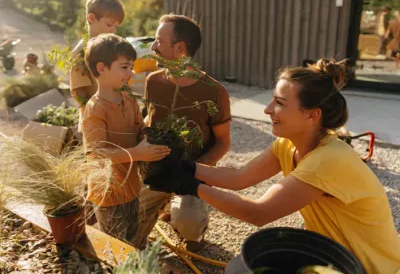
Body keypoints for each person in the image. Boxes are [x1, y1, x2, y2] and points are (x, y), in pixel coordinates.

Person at [146, 59, 400, 274]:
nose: (268, 110)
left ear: (312, 115)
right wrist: (186, 167)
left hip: (369, 267)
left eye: (279, 103)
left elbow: (258, 213)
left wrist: (190, 185)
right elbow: (239, 177)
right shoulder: (288, 145)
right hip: (333, 256)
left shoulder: (328, 160)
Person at [132, 14, 231, 251]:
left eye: (158, 41)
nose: (153, 47)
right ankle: (164, 205)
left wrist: (193, 172)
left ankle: (190, 218)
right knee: (128, 231)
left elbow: (223, 143)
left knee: (188, 225)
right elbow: (150, 118)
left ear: (180, 48)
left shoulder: (215, 91)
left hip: (190, 172)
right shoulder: (153, 81)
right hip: (154, 169)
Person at [82, 33, 170, 243]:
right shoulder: (95, 109)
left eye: (131, 67)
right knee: (115, 243)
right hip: (108, 194)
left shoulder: (128, 98)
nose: (130, 73)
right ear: (102, 68)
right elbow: (96, 153)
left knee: (131, 236)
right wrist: (138, 153)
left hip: (132, 186)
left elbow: (140, 129)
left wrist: (153, 140)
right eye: (124, 67)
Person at [70, 0, 125, 127]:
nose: (113, 30)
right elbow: (79, 92)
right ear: (92, 18)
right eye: (109, 24)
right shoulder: (80, 52)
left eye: (116, 27)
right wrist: (98, 113)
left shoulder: (113, 49)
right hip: (95, 122)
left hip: (117, 118)